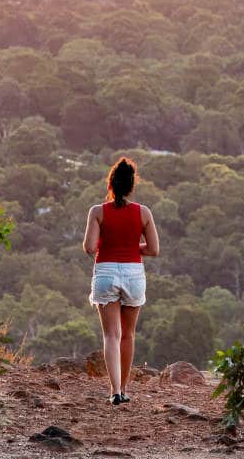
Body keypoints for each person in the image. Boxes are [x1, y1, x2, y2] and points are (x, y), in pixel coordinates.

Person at [82, 156, 159, 405]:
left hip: (105, 272)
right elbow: (154, 249)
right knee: (128, 334)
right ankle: (124, 389)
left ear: (111, 184)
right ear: (131, 186)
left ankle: (114, 391)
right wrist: (132, 246)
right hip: (134, 273)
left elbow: (89, 247)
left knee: (111, 336)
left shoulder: (97, 212)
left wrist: (109, 243)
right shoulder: (144, 212)